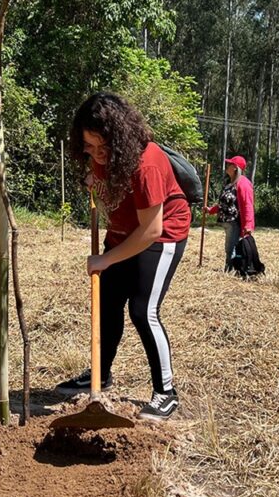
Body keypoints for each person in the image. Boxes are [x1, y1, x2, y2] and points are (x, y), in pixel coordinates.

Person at [56, 92, 191, 422]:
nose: (97, 155)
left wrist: (105, 260)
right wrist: (93, 178)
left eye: (103, 148)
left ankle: (166, 393)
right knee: (108, 303)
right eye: (90, 147)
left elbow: (151, 230)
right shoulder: (99, 156)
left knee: (143, 310)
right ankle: (99, 375)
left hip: (163, 234)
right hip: (122, 234)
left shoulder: (146, 164)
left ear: (120, 139)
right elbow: (107, 187)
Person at [203, 156, 255, 271]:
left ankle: (229, 269)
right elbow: (224, 204)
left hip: (234, 222)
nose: (227, 166)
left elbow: (248, 205)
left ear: (235, 168)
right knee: (230, 246)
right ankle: (233, 268)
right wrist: (211, 210)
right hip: (227, 222)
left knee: (230, 247)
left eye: (230, 164)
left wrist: (248, 224)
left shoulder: (243, 183)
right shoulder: (230, 183)